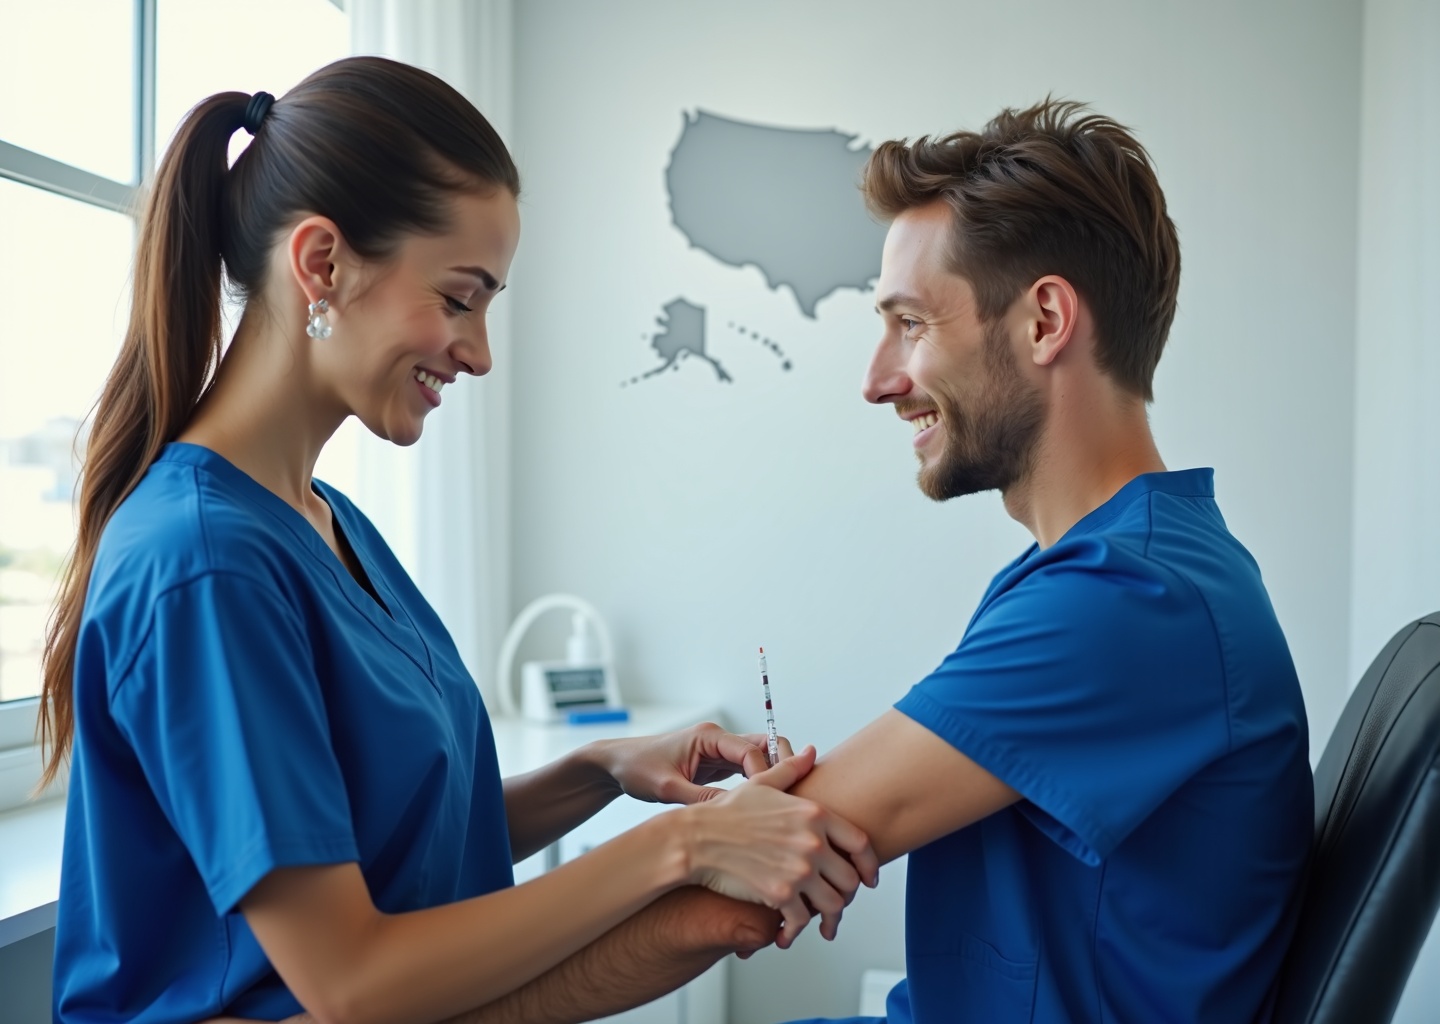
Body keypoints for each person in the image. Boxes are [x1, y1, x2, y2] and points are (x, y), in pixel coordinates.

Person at [42, 56, 879, 1024]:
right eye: (458, 298)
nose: (478, 353)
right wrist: (686, 846)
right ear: (321, 264)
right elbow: (353, 979)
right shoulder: (205, 562)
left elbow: (405, 847)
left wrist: (603, 773)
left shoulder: (323, 521)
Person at [451, 100, 1315, 1024]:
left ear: (1044, 321)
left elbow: (758, 870)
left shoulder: (1126, 600)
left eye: (911, 322)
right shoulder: (1124, 568)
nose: (876, 380)